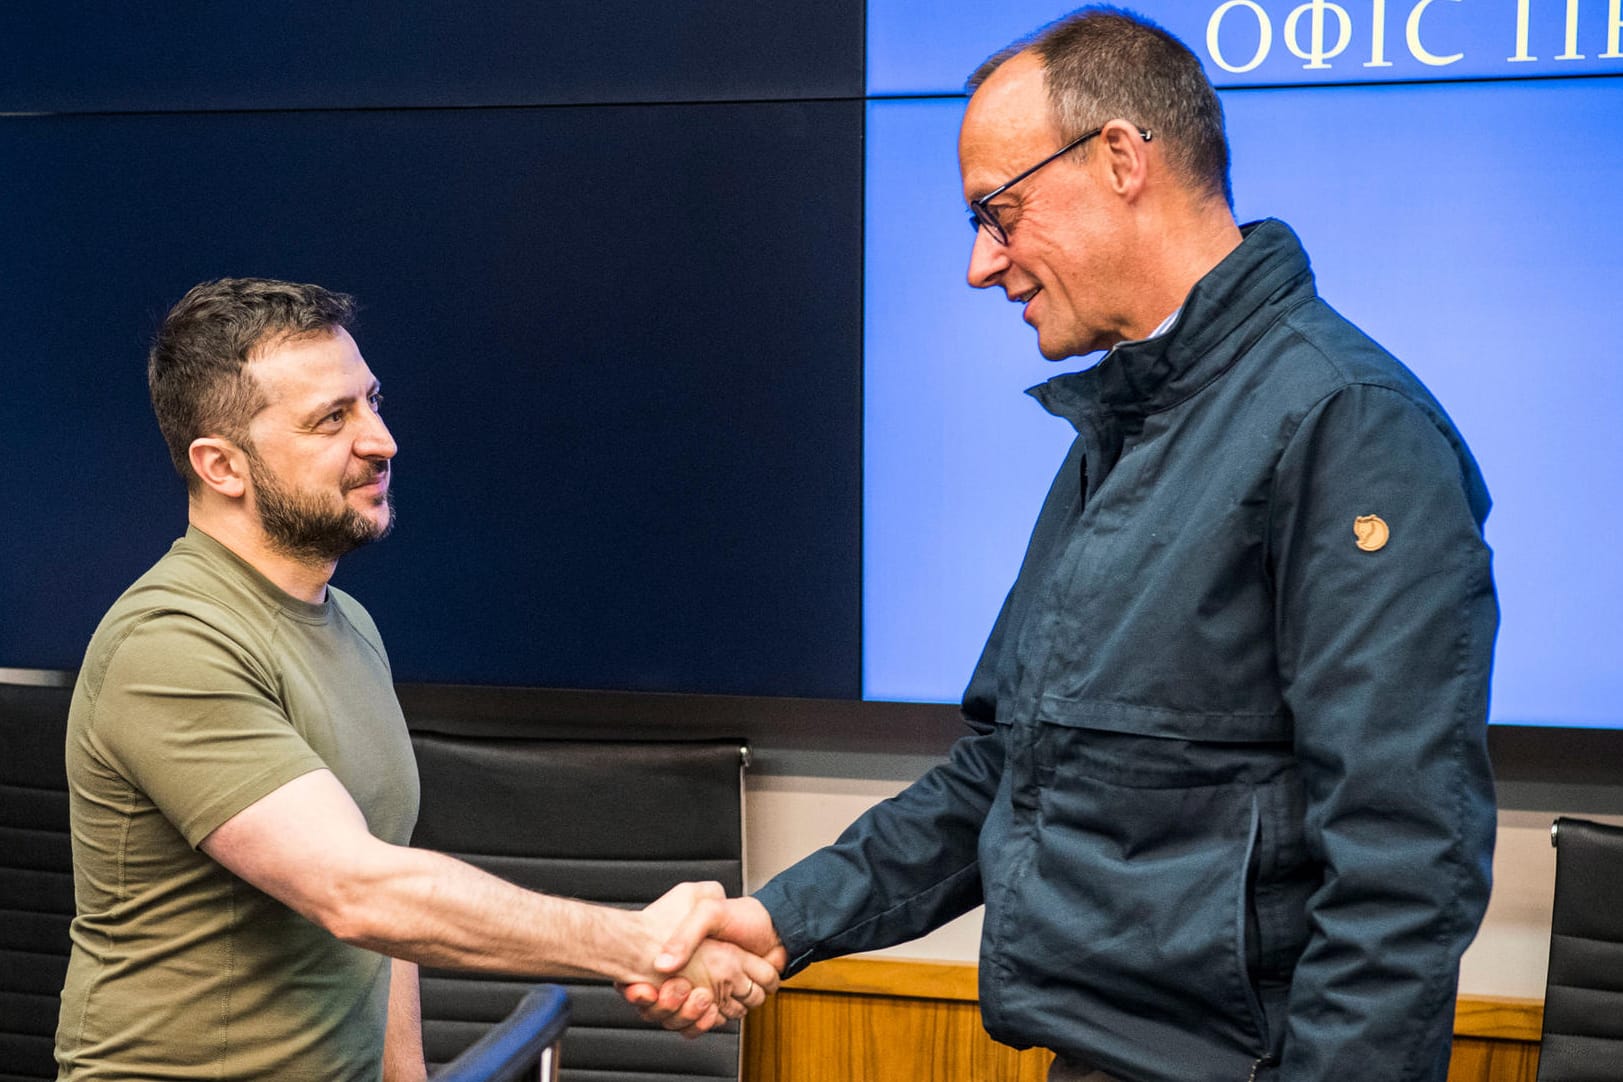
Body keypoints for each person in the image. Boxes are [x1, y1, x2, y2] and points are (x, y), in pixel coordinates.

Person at [633, 8, 1498, 1081]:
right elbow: (1013, 769)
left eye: (999, 212)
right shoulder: (1129, 423)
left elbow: (1404, 868)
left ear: (1122, 158)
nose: (981, 264)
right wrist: (780, 917)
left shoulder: (1346, 421)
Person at [56, 278, 780, 1082]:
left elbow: (384, 905)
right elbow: (359, 892)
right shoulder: (170, 644)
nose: (381, 440)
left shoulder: (348, 623)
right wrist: (644, 945)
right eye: (332, 419)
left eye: (370, 401)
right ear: (222, 465)